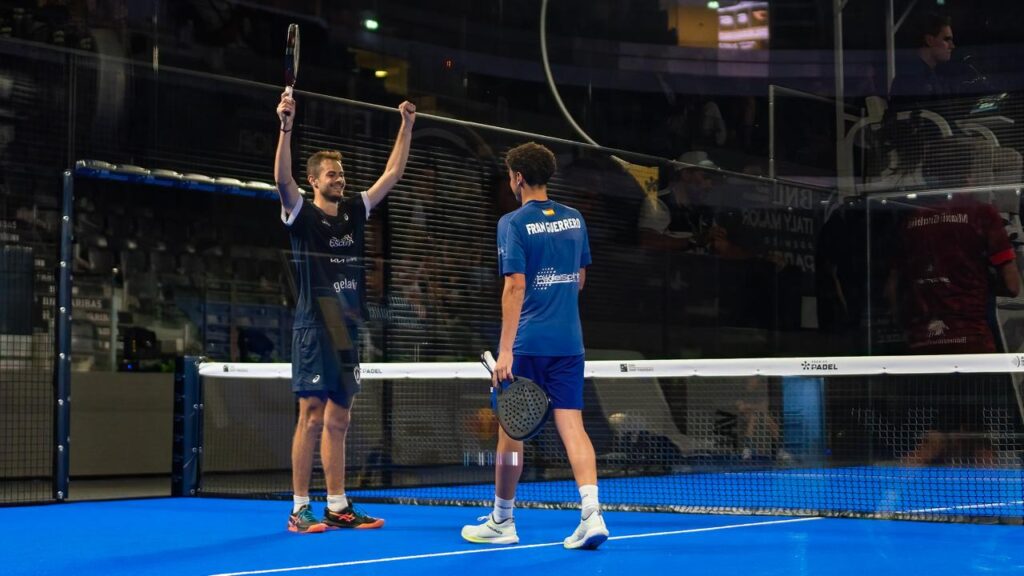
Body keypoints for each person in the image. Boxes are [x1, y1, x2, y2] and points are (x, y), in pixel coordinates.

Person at [274, 91, 416, 533]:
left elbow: (392, 173)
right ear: (314, 181)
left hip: (347, 330)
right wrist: (286, 126)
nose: (341, 178)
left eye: (341, 172)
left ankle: (337, 505)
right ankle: (300, 508)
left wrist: (406, 125)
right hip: (314, 326)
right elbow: (281, 178)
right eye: (332, 174)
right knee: (311, 414)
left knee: (340, 417)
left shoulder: (355, 211)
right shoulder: (299, 213)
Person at [460, 142, 609, 550]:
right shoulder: (575, 219)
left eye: (510, 175)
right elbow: (579, 279)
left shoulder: (513, 222)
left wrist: (505, 351)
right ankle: (591, 513)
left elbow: (514, 286)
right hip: (569, 343)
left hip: (527, 343)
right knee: (573, 425)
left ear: (518, 178)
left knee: (511, 432)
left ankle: (503, 520)